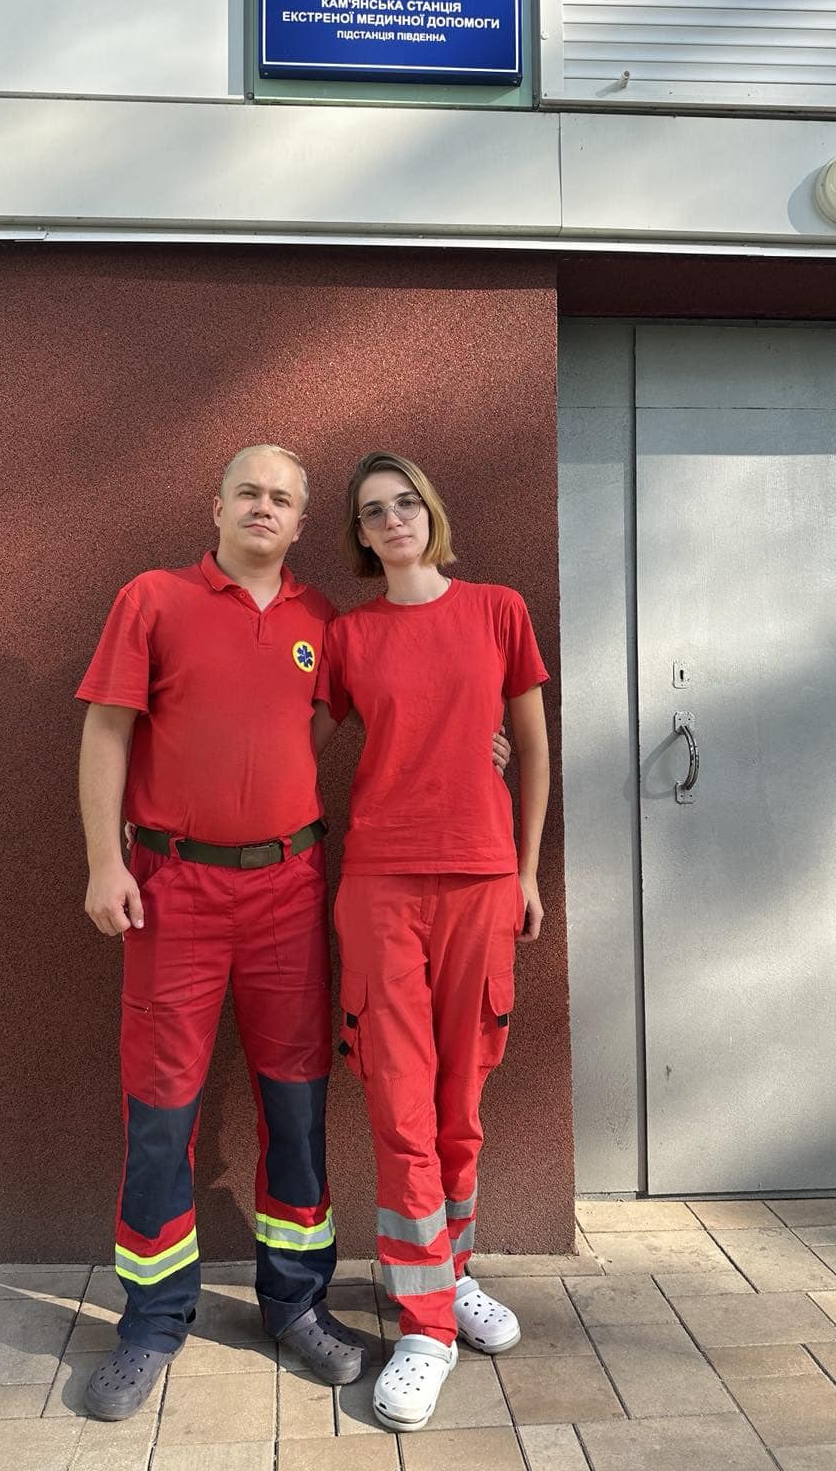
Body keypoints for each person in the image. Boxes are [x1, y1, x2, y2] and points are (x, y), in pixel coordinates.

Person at [75, 444, 510, 1422]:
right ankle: (152, 1320)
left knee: (297, 1105)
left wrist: (475, 741)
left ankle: (296, 1304)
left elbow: (385, 711)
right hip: (174, 887)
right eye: (248, 493)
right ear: (217, 505)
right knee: (162, 1108)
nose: (263, 507)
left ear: (305, 521)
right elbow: (105, 731)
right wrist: (106, 860)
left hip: (290, 885)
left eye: (281, 497)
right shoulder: (152, 598)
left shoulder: (325, 622)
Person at [314, 450, 550, 1433]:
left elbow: (529, 744)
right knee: (401, 1104)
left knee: (461, 1106)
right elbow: (287, 741)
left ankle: (448, 1274)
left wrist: (526, 871)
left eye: (406, 503)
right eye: (374, 512)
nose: (394, 520)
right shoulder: (347, 635)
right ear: (361, 537)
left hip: (483, 881)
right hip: (381, 888)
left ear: (432, 513)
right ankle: (424, 1329)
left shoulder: (499, 611)